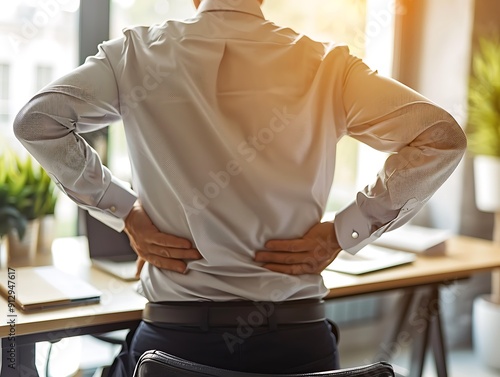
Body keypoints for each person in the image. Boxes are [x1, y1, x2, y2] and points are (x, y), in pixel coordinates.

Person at [14, 0, 467, 375]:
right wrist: (344, 230)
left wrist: (125, 212)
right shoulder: (329, 66)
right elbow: (440, 137)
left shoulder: (136, 55)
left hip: (174, 351)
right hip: (298, 349)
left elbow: (37, 121)